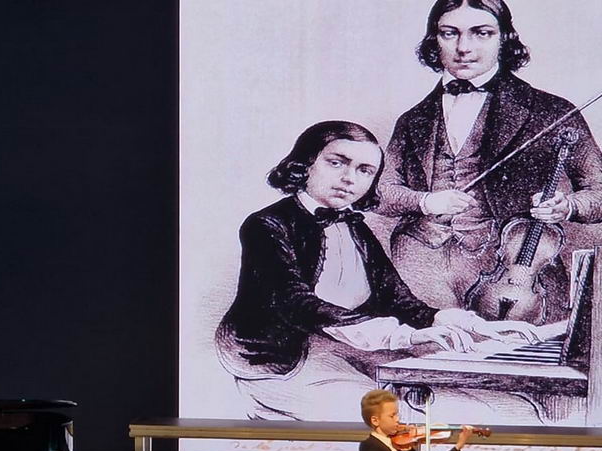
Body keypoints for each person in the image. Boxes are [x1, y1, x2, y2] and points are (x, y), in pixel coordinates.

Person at [215, 120, 538, 421]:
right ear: (305, 163)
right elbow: (296, 303)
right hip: (279, 360)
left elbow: (398, 299)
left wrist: (471, 325)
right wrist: (403, 335)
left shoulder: (356, 228)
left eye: (365, 170)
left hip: (349, 350)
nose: (350, 179)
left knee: (481, 408)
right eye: (336, 163)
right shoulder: (266, 225)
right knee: (404, 420)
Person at [379, 0, 602, 320]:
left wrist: (567, 206)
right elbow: (379, 194)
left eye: (481, 33)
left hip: (511, 272)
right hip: (420, 262)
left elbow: (599, 191)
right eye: (449, 33)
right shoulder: (412, 120)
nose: (463, 47)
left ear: (503, 39)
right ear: (434, 40)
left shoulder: (551, 111)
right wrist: (425, 201)